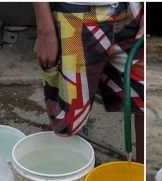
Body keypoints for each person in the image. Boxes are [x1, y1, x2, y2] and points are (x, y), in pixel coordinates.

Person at [33, 2, 144, 163]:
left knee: (143, 102)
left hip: (131, 12)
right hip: (73, 14)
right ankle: (72, 177)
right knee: (70, 115)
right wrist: (45, 29)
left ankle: (142, 180)